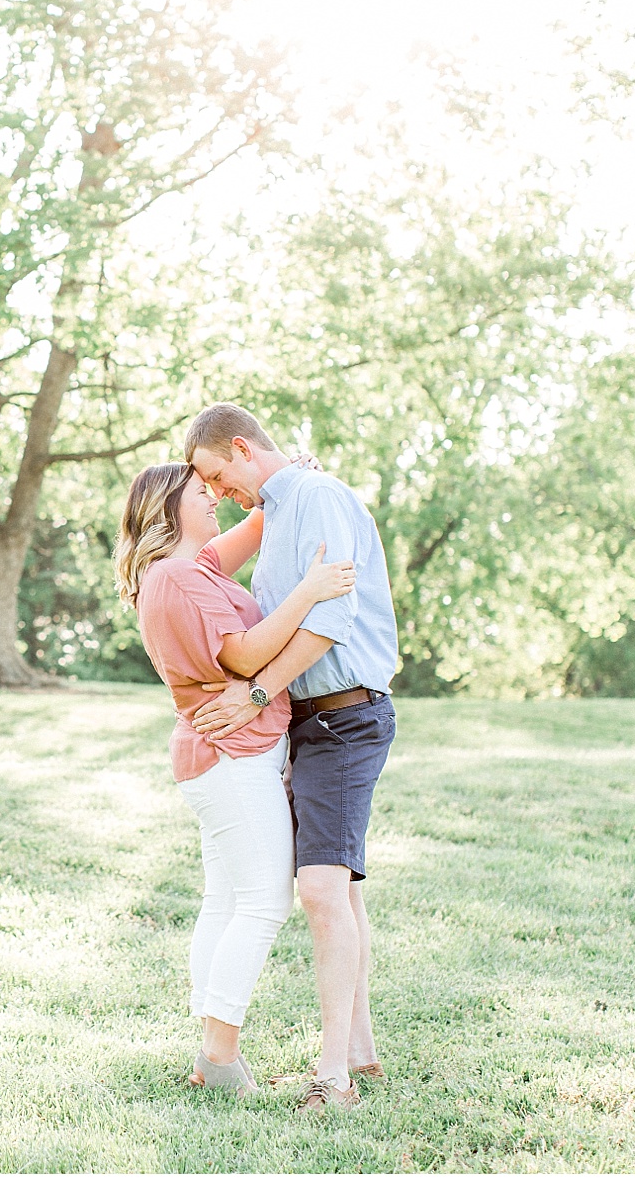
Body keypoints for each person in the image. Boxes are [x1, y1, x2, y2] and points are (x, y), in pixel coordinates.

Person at [184, 402, 400, 1113]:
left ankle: (333, 1077)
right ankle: (360, 1054)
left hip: (344, 716)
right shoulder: (278, 511)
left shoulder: (317, 496)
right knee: (340, 889)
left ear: (242, 448)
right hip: (309, 725)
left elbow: (330, 620)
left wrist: (254, 696)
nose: (219, 494)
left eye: (219, 475)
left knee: (318, 891)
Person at [114, 460, 355, 1096]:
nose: (215, 497)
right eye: (203, 492)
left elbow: (250, 524)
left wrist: (278, 483)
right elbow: (244, 655)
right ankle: (220, 1056)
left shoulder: (189, 569)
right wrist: (310, 589)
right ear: (172, 509)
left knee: (225, 898)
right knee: (263, 902)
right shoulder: (178, 577)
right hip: (232, 756)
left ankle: (209, 1052)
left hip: (219, 755)